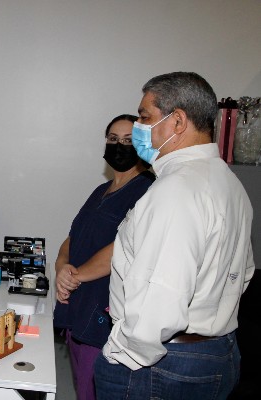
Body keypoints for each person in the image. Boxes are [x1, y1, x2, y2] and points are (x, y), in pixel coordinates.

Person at [95, 72, 255, 400]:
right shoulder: (228, 182)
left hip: (161, 364)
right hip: (217, 350)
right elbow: (244, 273)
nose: (139, 127)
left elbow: (161, 298)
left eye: (145, 116)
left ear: (178, 121)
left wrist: (119, 354)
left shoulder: (176, 189)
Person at [53, 114, 155, 400]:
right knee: (81, 386)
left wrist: (75, 276)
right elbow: (72, 239)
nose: (119, 145)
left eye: (128, 140)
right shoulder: (101, 191)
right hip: (78, 305)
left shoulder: (148, 191)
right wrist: (62, 269)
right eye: (113, 139)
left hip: (105, 312)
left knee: (93, 389)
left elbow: (125, 246)